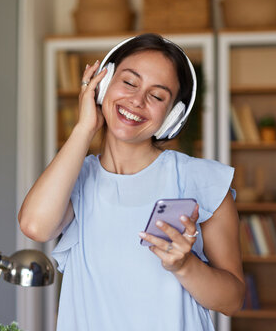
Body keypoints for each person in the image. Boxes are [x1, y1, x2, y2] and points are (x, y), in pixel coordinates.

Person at [18, 33, 244, 330]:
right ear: (103, 84)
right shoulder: (76, 177)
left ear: (173, 116)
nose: (137, 100)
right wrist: (85, 127)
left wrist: (185, 266)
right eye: (129, 82)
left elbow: (232, 300)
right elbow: (35, 227)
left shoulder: (200, 180)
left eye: (157, 95)